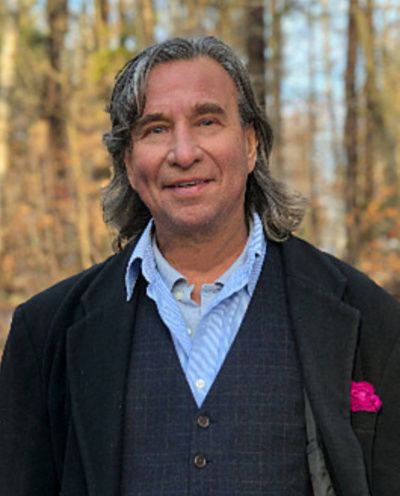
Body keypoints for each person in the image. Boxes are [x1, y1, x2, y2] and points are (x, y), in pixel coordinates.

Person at [0, 36, 399, 496]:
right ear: (128, 161)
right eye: (155, 129)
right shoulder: (45, 333)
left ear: (250, 144)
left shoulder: (370, 321)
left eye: (207, 121)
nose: (184, 152)